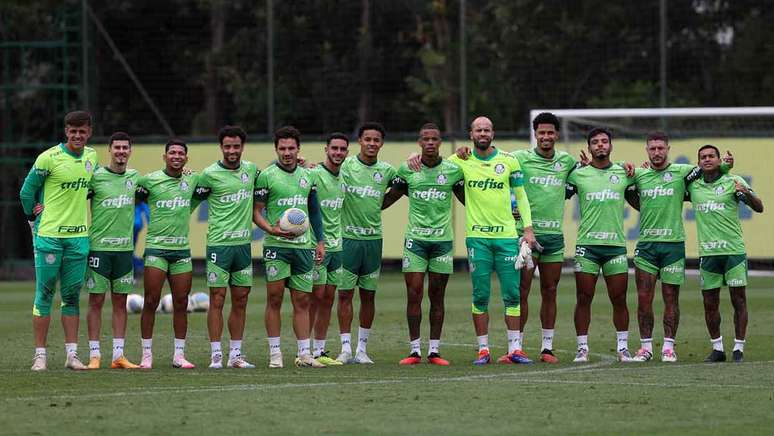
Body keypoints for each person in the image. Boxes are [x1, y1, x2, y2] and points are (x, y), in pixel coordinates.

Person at [627, 132, 734, 362]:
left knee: (670, 298)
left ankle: (668, 348)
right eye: (652, 149)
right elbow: (625, 190)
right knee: (644, 298)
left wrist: (725, 167)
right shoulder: (639, 174)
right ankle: (645, 348)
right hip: (646, 245)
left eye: (660, 148)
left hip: (673, 246)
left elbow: (709, 170)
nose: (657, 152)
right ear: (646, 150)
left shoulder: (682, 172)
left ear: (668, 149)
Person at [448, 116, 537, 365]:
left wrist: (528, 230)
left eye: (487, 129)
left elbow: (521, 197)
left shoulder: (509, 161)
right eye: (478, 130)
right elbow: (435, 168)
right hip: (478, 239)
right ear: (471, 134)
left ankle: (515, 349)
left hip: (507, 237)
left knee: (512, 295)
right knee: (480, 295)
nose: (483, 133)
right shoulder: (459, 161)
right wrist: (414, 156)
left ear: (493, 133)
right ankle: (483, 350)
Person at [20, 110, 99, 371]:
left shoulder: (91, 157)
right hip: (50, 237)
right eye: (73, 131)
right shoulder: (48, 158)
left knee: (72, 296)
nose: (78, 135)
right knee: (44, 293)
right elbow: (26, 191)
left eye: (82, 131)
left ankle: (72, 355)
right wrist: (33, 214)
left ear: (89, 132)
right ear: (66, 132)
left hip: (78, 238)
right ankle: (40, 356)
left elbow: (92, 189)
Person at [382, 123, 465, 366]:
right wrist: (361, 203)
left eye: (434, 139)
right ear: (419, 142)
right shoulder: (408, 169)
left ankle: (435, 351)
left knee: (437, 296)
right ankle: (415, 350)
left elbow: (469, 201)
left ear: (440, 143)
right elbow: (388, 198)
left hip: (442, 242)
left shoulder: (452, 170)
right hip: (415, 241)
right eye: (425, 139)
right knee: (414, 293)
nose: (430, 143)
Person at [253, 126, 326, 369]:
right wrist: (270, 229)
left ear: (298, 149)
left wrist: (320, 241)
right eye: (282, 148)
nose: (287, 152)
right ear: (276, 149)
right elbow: (256, 212)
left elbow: (314, 212)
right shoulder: (266, 176)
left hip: (304, 247)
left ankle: (304, 354)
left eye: (291, 148)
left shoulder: (308, 176)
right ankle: (275, 355)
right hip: (276, 246)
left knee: (302, 300)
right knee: (274, 298)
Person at [511, 113, 578, 363]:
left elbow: (592, 172)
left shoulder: (567, 162)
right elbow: (493, 166)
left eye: (550, 133)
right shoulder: (519, 158)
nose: (546, 137)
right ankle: (516, 346)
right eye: (541, 133)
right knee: (522, 291)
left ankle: (547, 347)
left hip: (553, 238)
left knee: (550, 290)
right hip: (526, 236)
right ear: (535, 134)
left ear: (557, 135)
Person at [565, 127, 637, 363]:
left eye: (604, 141)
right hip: (587, 246)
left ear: (611, 146)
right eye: (595, 142)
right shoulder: (578, 175)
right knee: (584, 297)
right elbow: (557, 192)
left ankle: (623, 347)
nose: (600, 145)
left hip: (615, 246)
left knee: (619, 298)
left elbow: (642, 194)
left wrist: (638, 170)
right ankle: (582, 348)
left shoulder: (625, 173)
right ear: (589, 148)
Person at [687, 144, 763, 363]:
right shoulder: (693, 187)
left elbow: (759, 207)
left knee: (738, 300)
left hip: (733, 251)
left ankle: (739, 348)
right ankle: (717, 349)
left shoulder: (734, 181)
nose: (707, 159)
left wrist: (746, 193)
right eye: (703, 157)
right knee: (709, 302)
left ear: (720, 160)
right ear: (698, 162)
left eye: (712, 156)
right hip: (708, 254)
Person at [136, 139, 204, 369]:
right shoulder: (150, 180)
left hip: (181, 251)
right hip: (156, 249)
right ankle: (146, 355)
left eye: (180, 153)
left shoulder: (193, 179)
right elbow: (129, 195)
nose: (176, 156)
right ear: (164, 156)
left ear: (186, 158)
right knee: (151, 300)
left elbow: (213, 185)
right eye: (172, 152)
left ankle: (179, 355)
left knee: (181, 302)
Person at [196, 125, 259, 369]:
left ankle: (235, 355)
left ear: (242, 147)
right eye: (227, 146)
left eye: (236, 146)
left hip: (243, 247)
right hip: (219, 246)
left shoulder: (252, 171)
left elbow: (278, 177)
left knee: (241, 299)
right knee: (217, 299)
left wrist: (304, 163)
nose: (232, 150)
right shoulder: (209, 174)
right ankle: (216, 356)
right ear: (221, 147)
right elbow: (192, 197)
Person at [336, 122, 398, 364]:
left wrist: (415, 157)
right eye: (367, 139)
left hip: (373, 240)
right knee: (344, 295)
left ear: (381, 143)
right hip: (348, 239)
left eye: (376, 140)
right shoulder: (346, 165)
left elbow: (404, 184)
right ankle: (345, 349)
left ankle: (362, 349)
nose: (372, 144)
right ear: (359, 141)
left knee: (368, 296)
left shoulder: (387, 170)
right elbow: (324, 172)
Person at [84, 131, 141, 369]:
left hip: (124, 251)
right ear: (110, 150)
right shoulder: (95, 178)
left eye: (124, 148)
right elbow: (72, 198)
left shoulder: (136, 178)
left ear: (130, 151)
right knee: (96, 301)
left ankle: (118, 355)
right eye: (116, 148)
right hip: (99, 250)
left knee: (120, 302)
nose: (121, 152)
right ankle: (94, 354)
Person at [307, 133, 349, 366]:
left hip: (338, 247)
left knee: (328, 299)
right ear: (326, 149)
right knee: (315, 297)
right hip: (317, 246)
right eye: (334, 148)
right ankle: (304, 350)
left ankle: (320, 351)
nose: (338, 153)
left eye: (342, 149)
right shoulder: (313, 173)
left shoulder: (344, 176)